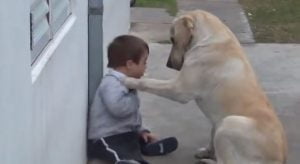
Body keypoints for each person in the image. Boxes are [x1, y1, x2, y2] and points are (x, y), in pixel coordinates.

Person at [87, 35, 178, 164]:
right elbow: (118, 109)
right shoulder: (111, 83)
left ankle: (146, 146)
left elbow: (131, 117)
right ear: (130, 64)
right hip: (106, 138)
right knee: (120, 152)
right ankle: (127, 161)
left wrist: (141, 130)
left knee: (133, 142)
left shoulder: (128, 83)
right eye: (144, 62)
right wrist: (134, 99)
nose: (145, 67)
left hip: (125, 134)